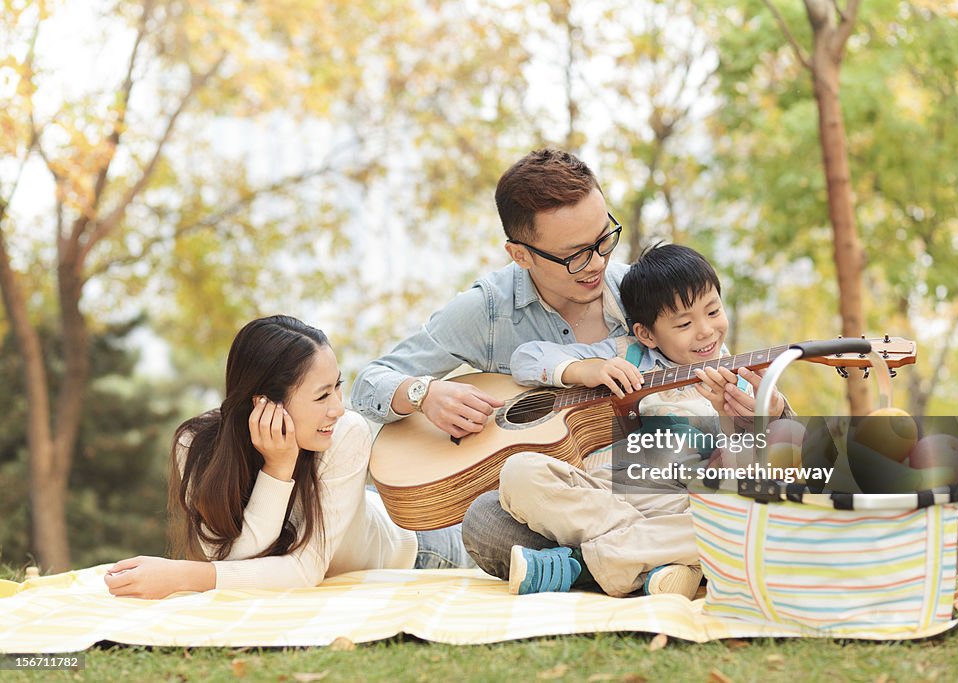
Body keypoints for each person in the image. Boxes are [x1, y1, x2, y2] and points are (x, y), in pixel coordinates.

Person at [351, 149, 636, 575]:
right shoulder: (487, 312)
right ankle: (638, 561)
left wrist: (747, 411)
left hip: (641, 485)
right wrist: (425, 393)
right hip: (548, 507)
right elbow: (368, 382)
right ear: (520, 255)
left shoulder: (640, 293)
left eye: (604, 239)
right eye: (575, 254)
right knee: (486, 523)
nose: (597, 263)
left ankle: (588, 567)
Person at [105, 316, 472, 600]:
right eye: (321, 396)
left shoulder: (346, 435)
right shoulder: (195, 445)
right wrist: (276, 468)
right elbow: (233, 562)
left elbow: (304, 571)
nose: (338, 409)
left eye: (338, 388)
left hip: (421, 549)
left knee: (509, 547)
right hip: (371, 524)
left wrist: (183, 575)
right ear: (265, 403)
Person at [500, 244, 790, 597]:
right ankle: (661, 562)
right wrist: (587, 369)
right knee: (519, 473)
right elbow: (526, 357)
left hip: (682, 503)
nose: (706, 331)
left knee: (760, 507)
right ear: (647, 334)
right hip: (605, 497)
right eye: (684, 323)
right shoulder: (626, 355)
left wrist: (747, 420)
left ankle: (592, 562)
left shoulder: (742, 381)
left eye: (713, 311)